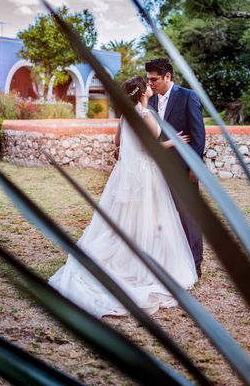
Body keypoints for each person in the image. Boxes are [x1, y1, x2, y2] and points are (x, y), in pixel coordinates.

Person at [48, 76, 198, 318]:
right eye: (147, 85)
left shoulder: (125, 116)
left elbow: (117, 142)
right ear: (142, 92)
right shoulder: (145, 115)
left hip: (127, 174)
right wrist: (174, 141)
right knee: (147, 216)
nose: (151, 87)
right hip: (146, 174)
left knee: (125, 217)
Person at [145, 58, 205, 278]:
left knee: (189, 217)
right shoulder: (149, 102)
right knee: (161, 215)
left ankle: (195, 264)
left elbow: (198, 135)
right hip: (156, 169)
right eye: (148, 79)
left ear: (168, 76)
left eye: (154, 79)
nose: (150, 84)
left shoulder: (187, 96)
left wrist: (194, 167)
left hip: (182, 168)